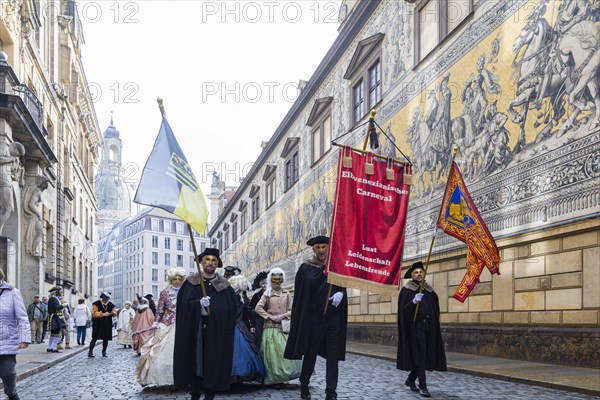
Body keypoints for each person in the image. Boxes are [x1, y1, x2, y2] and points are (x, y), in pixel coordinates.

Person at [284, 236, 348, 400]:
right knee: (311, 353)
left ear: (328, 248)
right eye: (318, 247)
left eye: (324, 247)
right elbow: (307, 288)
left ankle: (331, 391)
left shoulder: (336, 266)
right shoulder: (306, 268)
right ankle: (304, 383)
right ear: (313, 249)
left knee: (332, 354)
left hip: (332, 318)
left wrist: (341, 293)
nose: (321, 250)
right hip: (313, 318)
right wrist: (324, 273)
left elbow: (342, 284)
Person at [174, 248, 237, 400]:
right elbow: (183, 306)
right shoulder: (191, 283)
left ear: (217, 264)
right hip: (195, 332)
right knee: (195, 362)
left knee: (213, 363)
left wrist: (214, 309)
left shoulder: (225, 286)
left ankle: (210, 395)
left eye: (213, 260)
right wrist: (198, 306)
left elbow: (231, 310)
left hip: (216, 333)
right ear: (201, 262)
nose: (210, 263)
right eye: (207, 259)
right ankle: (194, 394)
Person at [396, 262, 447, 398]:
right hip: (415, 328)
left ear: (424, 273)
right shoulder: (407, 290)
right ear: (412, 275)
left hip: (429, 327)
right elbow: (403, 311)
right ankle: (423, 386)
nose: (419, 274)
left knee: (424, 356)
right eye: (416, 272)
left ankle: (411, 379)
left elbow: (435, 308)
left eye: (421, 272)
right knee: (420, 355)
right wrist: (412, 302)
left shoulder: (429, 290)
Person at [136, 267, 187, 387]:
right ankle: (165, 378)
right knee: (160, 351)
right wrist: (156, 324)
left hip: (183, 325)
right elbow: (160, 310)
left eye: (180, 279)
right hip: (167, 325)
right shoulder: (165, 293)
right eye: (175, 278)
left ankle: (183, 378)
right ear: (171, 279)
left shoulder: (187, 292)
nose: (177, 281)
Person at [255, 268, 301, 385]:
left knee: (283, 352)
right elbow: (258, 308)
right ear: (271, 279)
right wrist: (269, 317)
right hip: (270, 328)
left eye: (279, 279)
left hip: (284, 327)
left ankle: (283, 376)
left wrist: (283, 316)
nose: (277, 281)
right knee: (272, 354)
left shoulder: (287, 293)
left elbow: (293, 309)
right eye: (274, 279)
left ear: (282, 280)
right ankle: (273, 378)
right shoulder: (267, 293)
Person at [229, 274, 266, 384]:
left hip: (240, 327)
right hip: (228, 327)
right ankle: (232, 378)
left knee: (244, 351)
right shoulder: (227, 296)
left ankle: (239, 378)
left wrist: (262, 313)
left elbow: (248, 310)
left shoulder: (242, 297)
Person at [0, 267, 30, 400]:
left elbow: (22, 317)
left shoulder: (12, 292)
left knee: (8, 374)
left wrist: (24, 338)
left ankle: (12, 395)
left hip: (6, 341)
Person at [88, 292, 117, 358]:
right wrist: (103, 314)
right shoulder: (96, 304)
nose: (106, 300)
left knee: (105, 338)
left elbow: (114, 312)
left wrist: (113, 313)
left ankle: (104, 352)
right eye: (105, 298)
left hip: (107, 324)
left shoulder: (111, 305)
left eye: (107, 298)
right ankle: (90, 351)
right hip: (98, 324)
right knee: (94, 338)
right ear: (102, 298)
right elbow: (94, 313)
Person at [248, 271, 268, 348]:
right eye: (262, 283)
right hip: (259, 323)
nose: (264, 285)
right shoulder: (256, 296)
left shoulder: (274, 294)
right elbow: (251, 311)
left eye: (266, 283)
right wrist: (252, 325)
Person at [46, 287, 66, 353]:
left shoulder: (52, 299)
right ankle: (54, 348)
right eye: (59, 291)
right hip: (55, 317)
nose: (61, 292)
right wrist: (63, 305)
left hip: (53, 317)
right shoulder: (54, 299)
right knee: (56, 333)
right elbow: (57, 307)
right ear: (56, 292)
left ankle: (50, 347)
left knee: (53, 333)